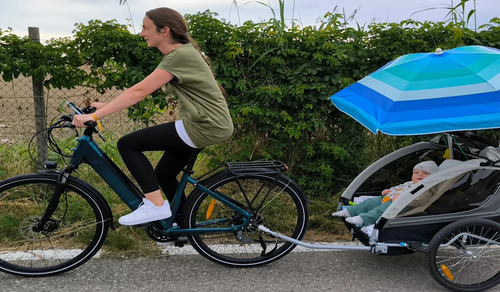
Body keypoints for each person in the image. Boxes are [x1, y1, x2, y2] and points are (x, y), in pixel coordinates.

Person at [72, 7, 234, 226]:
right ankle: (182, 225)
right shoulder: (181, 54)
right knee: (164, 175)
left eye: (146, 28)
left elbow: (140, 92)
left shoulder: (179, 55)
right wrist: (107, 106)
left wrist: (97, 115)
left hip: (204, 126)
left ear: (164, 30)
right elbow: (145, 88)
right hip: (205, 123)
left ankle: (155, 206)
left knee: (128, 144)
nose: (142, 33)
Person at [332, 161, 439, 226]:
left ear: (433, 176)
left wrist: (402, 199)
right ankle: (350, 211)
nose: (420, 175)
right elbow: (399, 187)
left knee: (381, 210)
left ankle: (363, 219)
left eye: (425, 173)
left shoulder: (427, 189)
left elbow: (420, 200)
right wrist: (390, 190)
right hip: (390, 197)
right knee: (371, 202)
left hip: (402, 205)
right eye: (416, 173)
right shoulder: (410, 183)